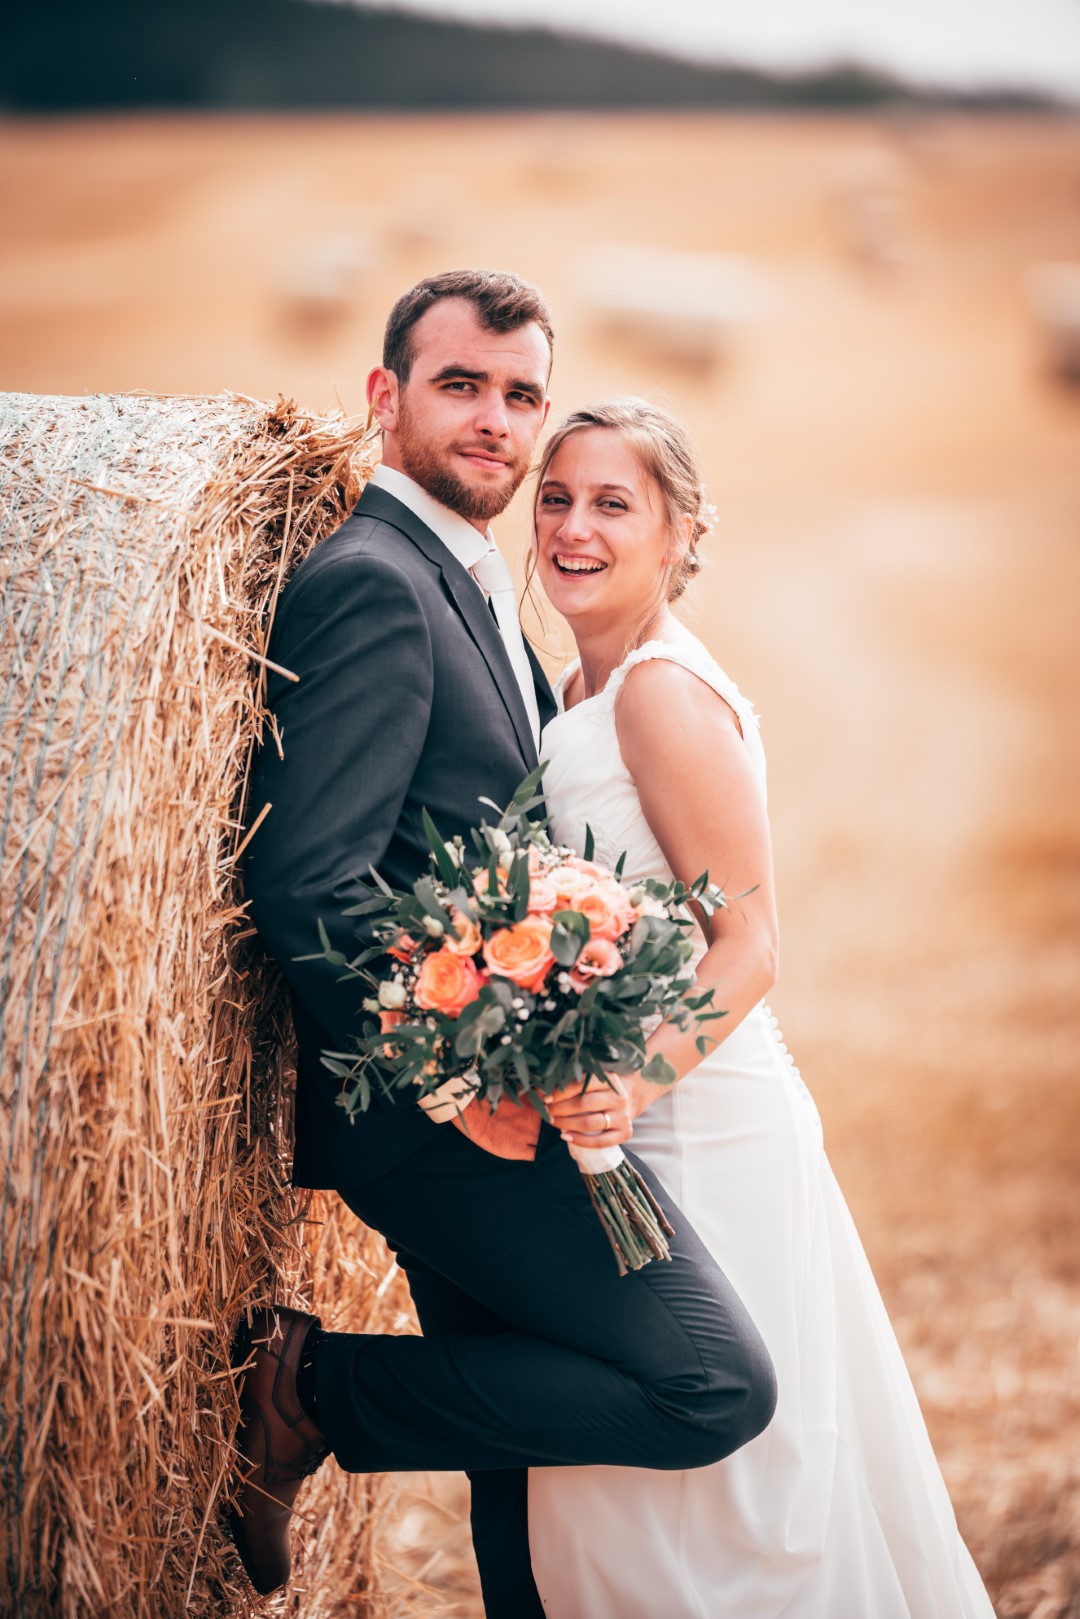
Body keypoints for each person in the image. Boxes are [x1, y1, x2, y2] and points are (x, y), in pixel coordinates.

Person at [234, 274, 776, 1615]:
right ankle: (308, 1390)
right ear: (385, 397)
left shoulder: (472, 587)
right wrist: (455, 1082)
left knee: (526, 1478)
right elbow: (311, 879)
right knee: (709, 1379)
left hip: (504, 1095)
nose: (495, 419)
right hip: (441, 1120)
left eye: (521, 393)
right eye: (460, 384)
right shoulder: (375, 580)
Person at [528, 399, 997, 1617]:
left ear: (680, 532)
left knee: (716, 1520)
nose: (573, 527)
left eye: (613, 503)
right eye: (557, 497)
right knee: (638, 1505)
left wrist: (628, 1081)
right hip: (633, 1121)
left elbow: (751, 943)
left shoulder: (655, 694)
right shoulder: (579, 683)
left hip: (702, 1126)